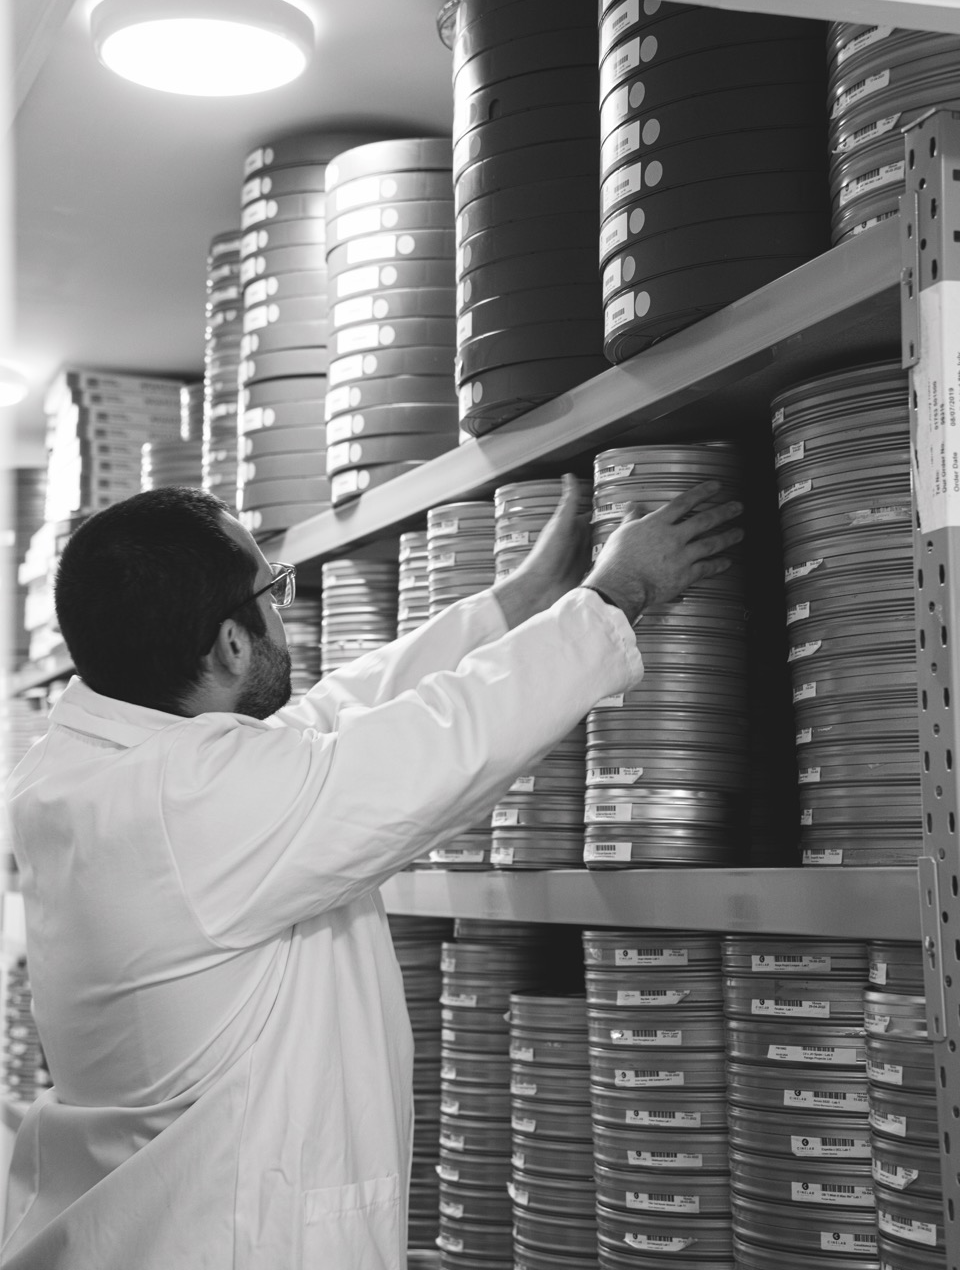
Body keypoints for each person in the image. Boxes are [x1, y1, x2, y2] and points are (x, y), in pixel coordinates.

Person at [1, 475, 742, 1270]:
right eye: (274, 590)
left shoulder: (100, 768)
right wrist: (611, 597)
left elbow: (334, 721)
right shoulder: (188, 804)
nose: (283, 610)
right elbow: (436, 746)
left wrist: (517, 600)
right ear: (231, 644)